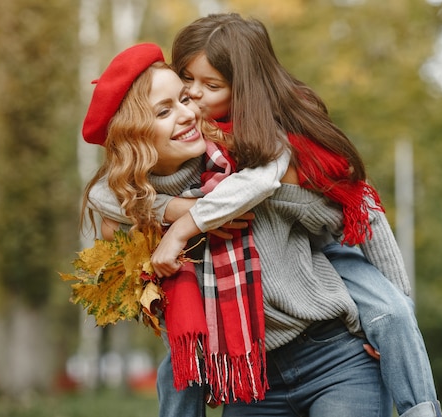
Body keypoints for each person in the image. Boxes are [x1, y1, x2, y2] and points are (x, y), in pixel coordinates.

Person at [150, 13, 442, 417]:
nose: (194, 93)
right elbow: (120, 193)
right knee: (175, 366)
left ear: (244, 88)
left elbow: (364, 211)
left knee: (391, 313)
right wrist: (175, 207)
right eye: (186, 77)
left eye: (211, 85)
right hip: (256, 376)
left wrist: (397, 315)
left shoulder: (284, 141)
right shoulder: (184, 140)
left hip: (334, 325)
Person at [82, 42, 392, 417]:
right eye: (165, 111)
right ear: (134, 137)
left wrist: (391, 321)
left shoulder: (244, 161)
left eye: (184, 99)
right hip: (252, 382)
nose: (187, 114)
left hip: (334, 358)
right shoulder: (130, 213)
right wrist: (177, 211)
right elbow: (105, 198)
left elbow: (355, 210)